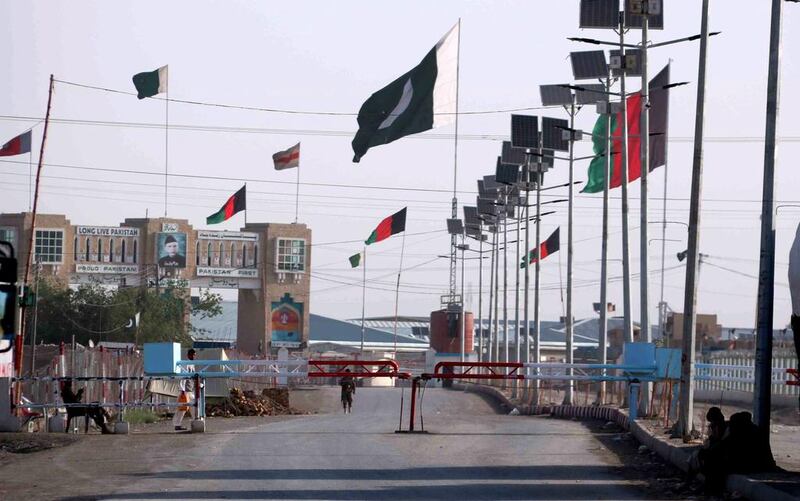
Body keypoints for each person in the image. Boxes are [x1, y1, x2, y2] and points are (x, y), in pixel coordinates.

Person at [174, 348, 196, 431]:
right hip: (184, 390)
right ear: (188, 355)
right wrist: (182, 390)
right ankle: (177, 424)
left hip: (190, 390)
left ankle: (195, 422)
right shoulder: (185, 364)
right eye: (192, 355)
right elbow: (182, 377)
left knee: (194, 407)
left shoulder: (193, 364)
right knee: (181, 408)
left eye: (194, 355)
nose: (193, 356)